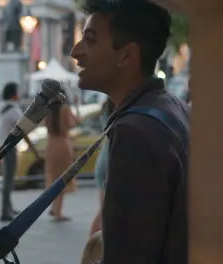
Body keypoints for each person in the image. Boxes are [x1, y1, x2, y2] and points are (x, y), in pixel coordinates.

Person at [71, 1, 189, 264]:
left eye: (90, 40)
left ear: (126, 56)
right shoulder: (175, 108)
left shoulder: (134, 133)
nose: (76, 51)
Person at [0, 82, 40, 221]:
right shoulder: (13, 109)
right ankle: (4, 211)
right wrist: (34, 150)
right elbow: (23, 129)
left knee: (7, 179)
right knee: (8, 180)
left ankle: (8, 207)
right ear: (13, 94)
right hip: (8, 148)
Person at [43, 82, 81, 222]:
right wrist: (76, 107)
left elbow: (44, 126)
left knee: (53, 177)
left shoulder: (48, 110)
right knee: (62, 179)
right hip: (63, 145)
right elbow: (75, 122)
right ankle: (58, 212)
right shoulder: (65, 110)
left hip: (51, 145)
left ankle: (54, 208)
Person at [89, 99, 114, 236]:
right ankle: (92, 250)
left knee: (104, 210)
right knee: (105, 212)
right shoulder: (121, 107)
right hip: (110, 159)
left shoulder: (107, 107)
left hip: (105, 156)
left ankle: (92, 250)